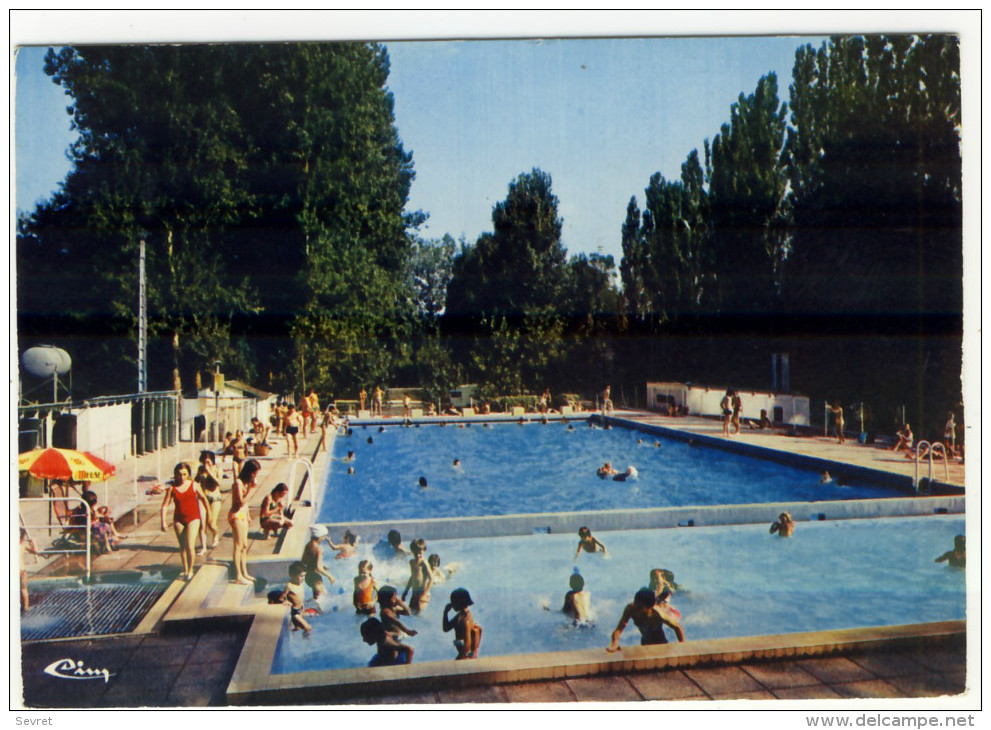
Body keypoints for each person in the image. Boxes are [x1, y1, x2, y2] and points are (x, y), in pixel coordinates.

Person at [161, 462, 211, 581]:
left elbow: (204, 498)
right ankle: (185, 569)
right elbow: (164, 506)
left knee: (189, 545)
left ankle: (190, 570)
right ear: (175, 475)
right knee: (182, 547)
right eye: (179, 474)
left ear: (188, 474)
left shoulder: (193, 485)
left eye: (184, 474)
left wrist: (209, 514)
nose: (182, 477)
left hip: (193, 518)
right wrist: (163, 521)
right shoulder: (172, 489)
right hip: (179, 519)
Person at [606, 587, 685, 652]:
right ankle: (660, 596)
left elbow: (677, 627)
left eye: (639, 607)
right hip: (645, 641)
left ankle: (664, 594)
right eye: (635, 604)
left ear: (650, 608)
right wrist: (614, 642)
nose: (636, 609)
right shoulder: (630, 609)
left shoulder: (658, 614)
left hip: (661, 643)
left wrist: (683, 646)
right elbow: (619, 629)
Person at [228, 459, 261, 585]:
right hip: (236, 515)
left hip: (242, 515)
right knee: (238, 546)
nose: (255, 476)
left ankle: (244, 572)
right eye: (255, 473)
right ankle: (238, 576)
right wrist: (250, 490)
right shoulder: (238, 483)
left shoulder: (245, 483)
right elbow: (240, 502)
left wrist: (247, 515)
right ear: (250, 472)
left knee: (244, 546)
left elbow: (245, 505)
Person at [194, 452, 223, 552]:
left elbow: (219, 483)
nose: (207, 463)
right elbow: (196, 481)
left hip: (215, 499)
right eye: (205, 461)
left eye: (209, 461)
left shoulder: (217, 468)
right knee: (202, 524)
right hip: (203, 498)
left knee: (211, 523)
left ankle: (215, 533)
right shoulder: (200, 470)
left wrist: (210, 472)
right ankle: (203, 547)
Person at [443, 588, 482, 659]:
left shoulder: (465, 620)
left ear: (460, 602)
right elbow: (446, 628)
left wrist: (459, 658)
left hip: (465, 655)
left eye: (453, 602)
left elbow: (467, 644)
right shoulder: (461, 616)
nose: (452, 604)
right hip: (464, 653)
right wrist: (445, 613)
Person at [301, 524, 336, 598]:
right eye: (323, 537)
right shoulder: (318, 548)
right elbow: (318, 568)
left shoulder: (308, 545)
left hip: (308, 576)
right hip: (315, 578)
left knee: (317, 598)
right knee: (324, 598)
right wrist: (330, 576)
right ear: (319, 536)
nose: (323, 539)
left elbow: (304, 561)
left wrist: (321, 565)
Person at [278, 561, 312, 634]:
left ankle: (301, 640)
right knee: (308, 627)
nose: (303, 578)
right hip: (294, 612)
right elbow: (281, 598)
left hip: (300, 610)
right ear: (293, 575)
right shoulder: (289, 586)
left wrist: (303, 606)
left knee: (300, 628)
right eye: (301, 576)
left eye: (304, 576)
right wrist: (286, 601)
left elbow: (300, 597)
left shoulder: (300, 584)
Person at [402, 539, 433, 613]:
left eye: (420, 553)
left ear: (424, 551)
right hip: (414, 592)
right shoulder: (412, 562)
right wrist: (405, 591)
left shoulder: (424, 562)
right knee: (411, 612)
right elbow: (412, 578)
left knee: (419, 612)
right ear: (412, 552)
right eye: (415, 553)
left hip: (422, 592)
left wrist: (426, 592)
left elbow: (431, 578)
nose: (418, 555)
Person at [20, 527, 39, 611]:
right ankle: (26, 607)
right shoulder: (23, 545)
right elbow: (35, 551)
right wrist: (33, 542)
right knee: (24, 588)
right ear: (23, 537)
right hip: (21, 569)